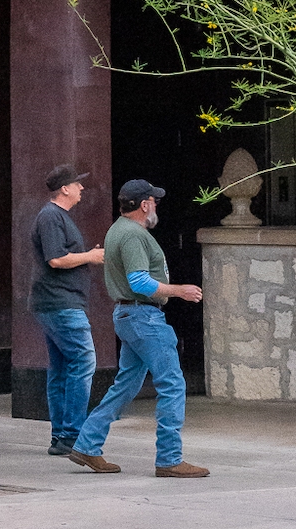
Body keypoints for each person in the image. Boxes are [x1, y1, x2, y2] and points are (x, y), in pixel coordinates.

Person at [69, 179, 207, 476]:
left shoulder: (118, 229)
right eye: (154, 201)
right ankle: (169, 459)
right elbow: (139, 282)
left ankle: (87, 444)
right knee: (172, 384)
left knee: (126, 385)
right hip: (144, 317)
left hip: (129, 316)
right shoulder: (133, 234)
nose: (156, 206)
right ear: (144, 205)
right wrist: (179, 290)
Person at [30, 165, 104, 457]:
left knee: (61, 367)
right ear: (64, 189)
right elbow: (56, 259)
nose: (81, 188)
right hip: (61, 302)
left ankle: (61, 436)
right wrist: (90, 256)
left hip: (54, 302)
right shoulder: (51, 216)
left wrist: (86, 256)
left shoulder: (55, 216)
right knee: (84, 361)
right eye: (77, 184)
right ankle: (72, 434)